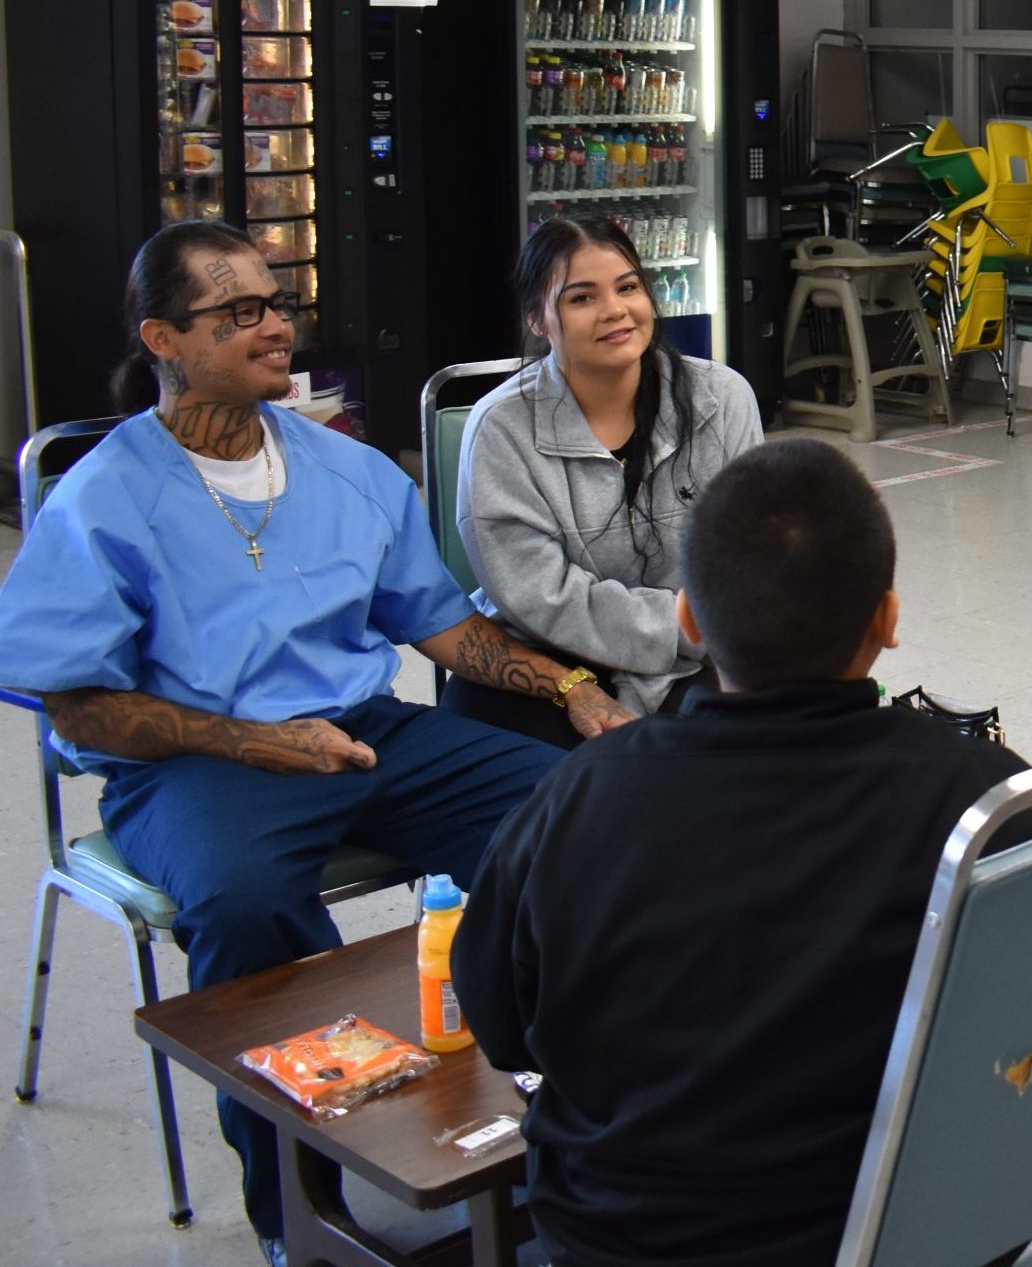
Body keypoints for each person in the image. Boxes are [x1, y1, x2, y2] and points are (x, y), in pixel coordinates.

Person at [0, 221, 628, 1259]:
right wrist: (253, 743)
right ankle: (297, 1203)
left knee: (566, 804)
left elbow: (440, 624)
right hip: (196, 768)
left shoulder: (346, 470)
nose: (275, 325)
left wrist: (563, 683)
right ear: (163, 336)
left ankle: (555, 1103)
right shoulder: (107, 496)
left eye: (278, 302)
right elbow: (78, 708)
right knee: (242, 904)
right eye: (239, 310)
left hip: (364, 734)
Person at [454, 439, 1032, 1266]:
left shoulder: (578, 800)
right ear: (887, 620)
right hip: (913, 1237)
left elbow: (501, 1029)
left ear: (690, 621)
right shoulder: (989, 805)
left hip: (624, 1243)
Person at [443, 216, 764, 745]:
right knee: (531, 788)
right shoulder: (501, 426)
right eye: (581, 298)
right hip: (546, 653)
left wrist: (695, 633)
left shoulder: (722, 399)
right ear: (539, 320)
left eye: (628, 287)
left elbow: (749, 559)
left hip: (699, 645)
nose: (615, 310)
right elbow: (535, 593)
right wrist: (674, 627)